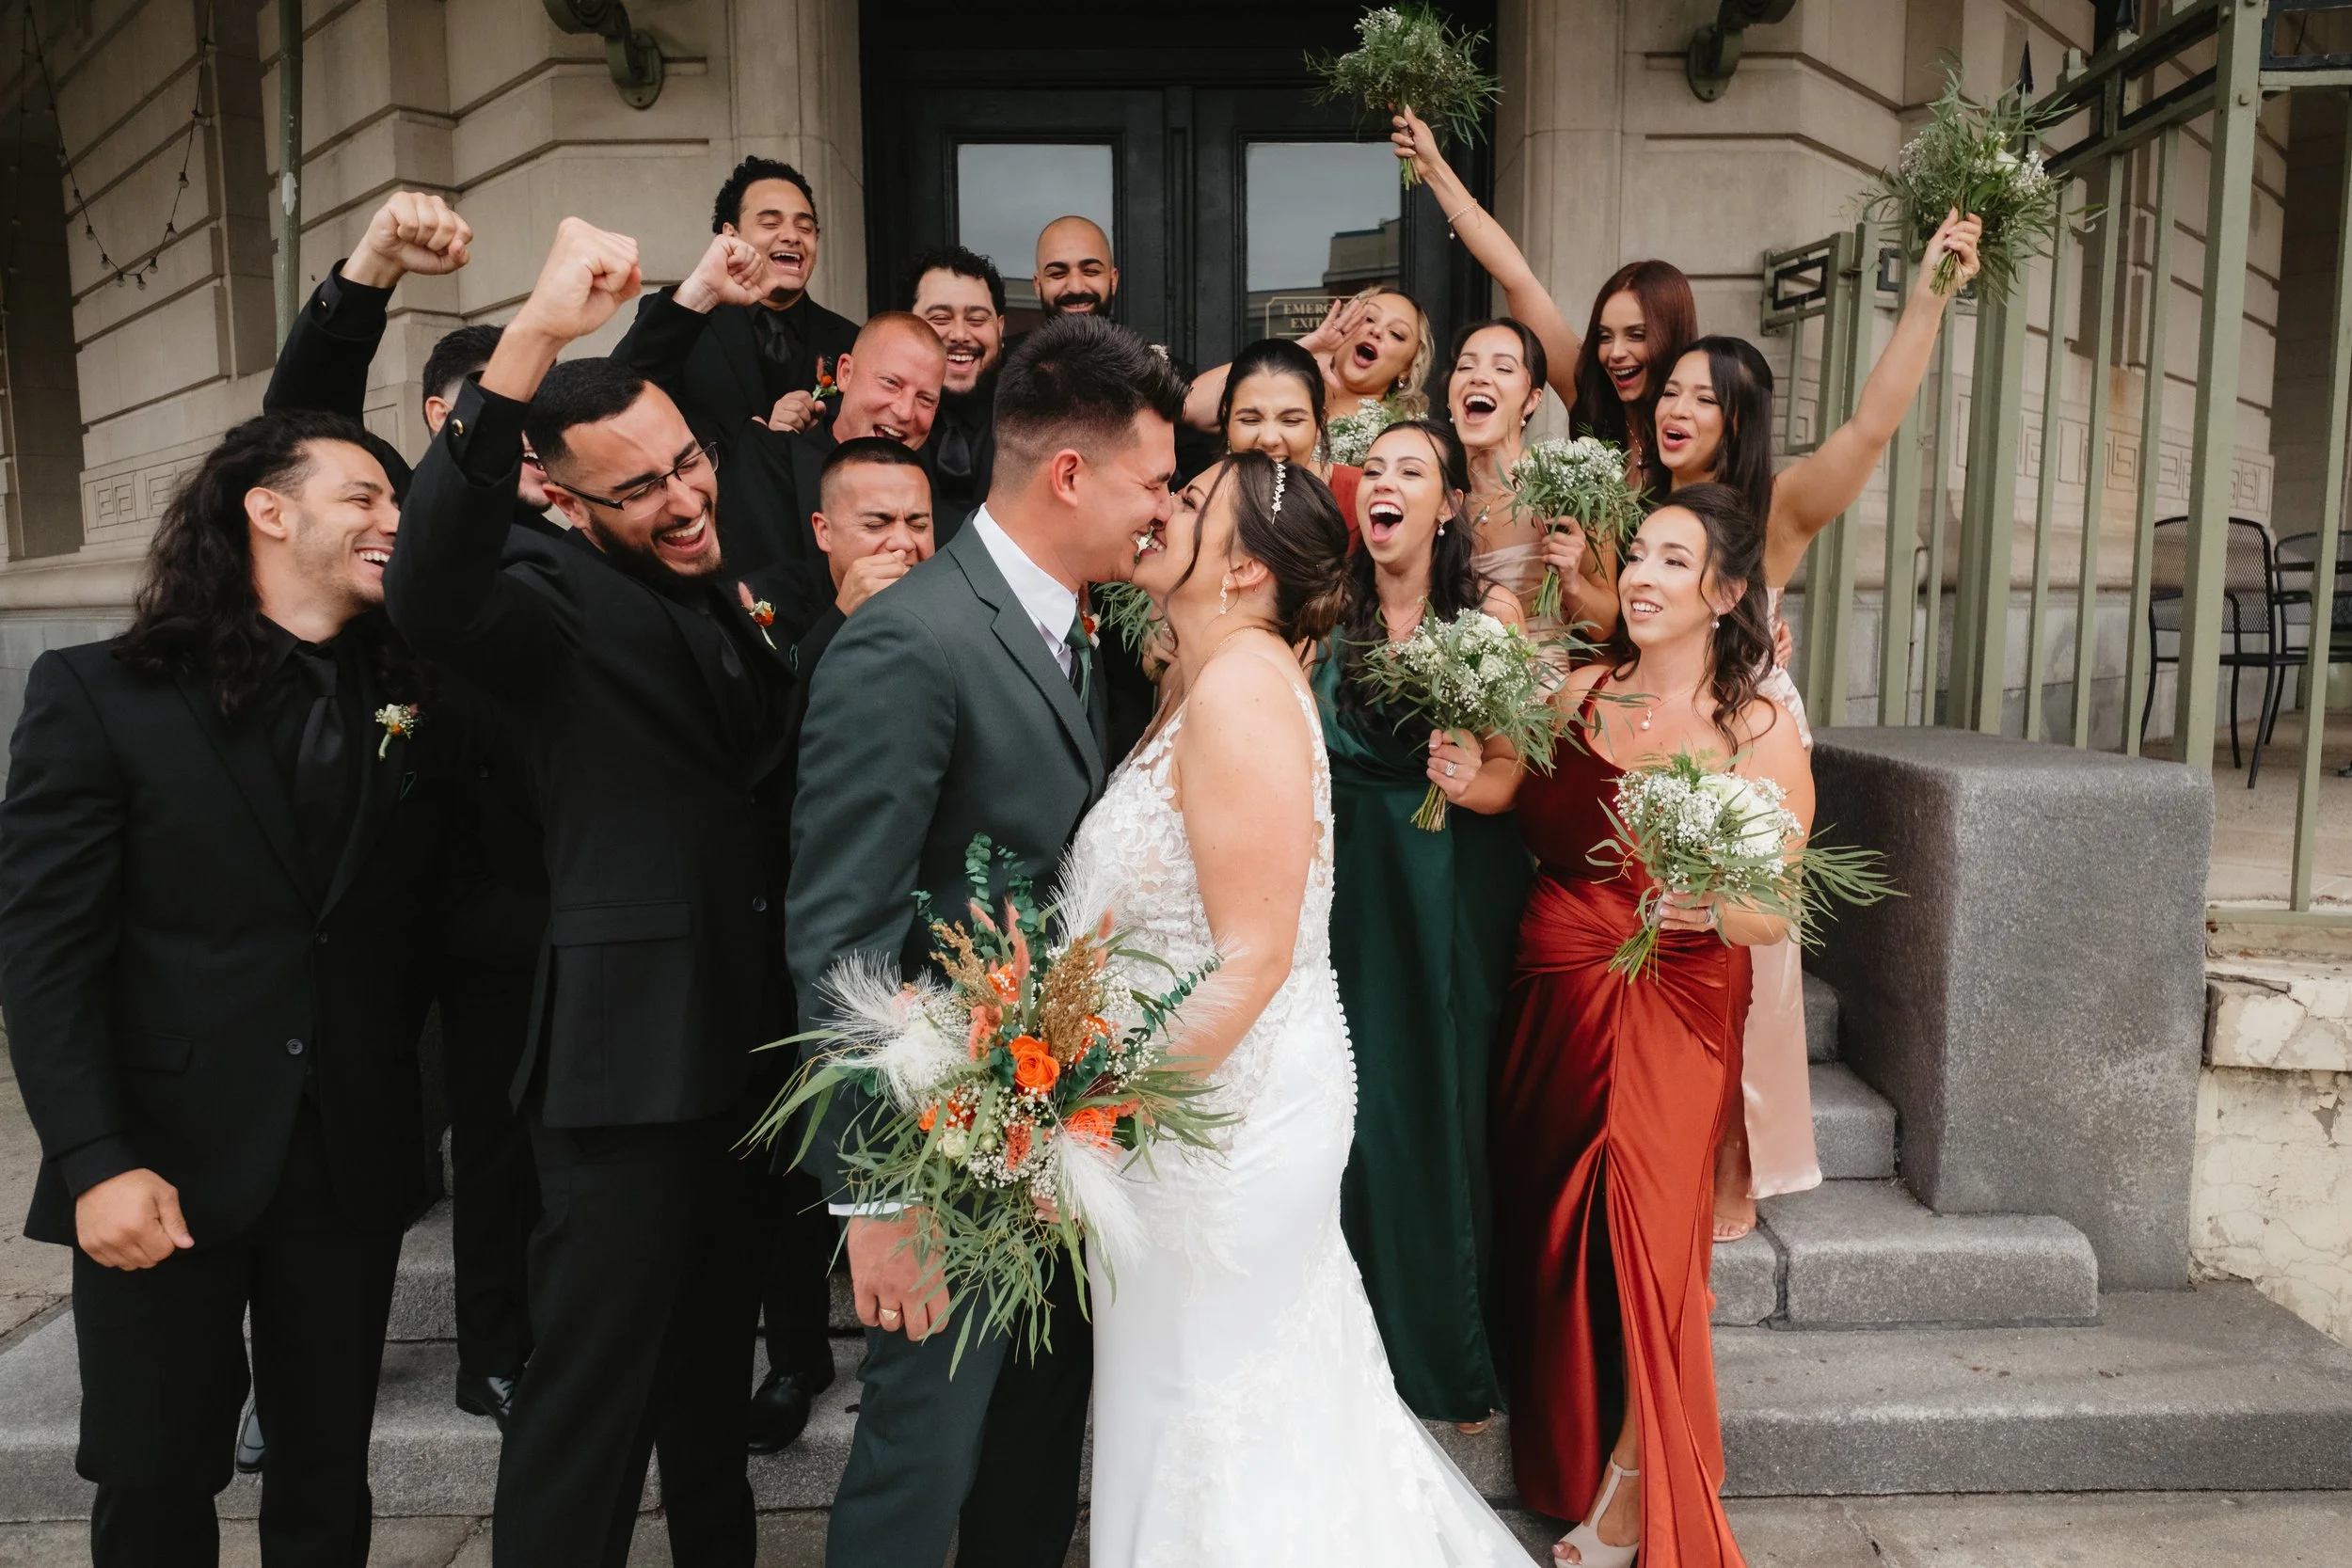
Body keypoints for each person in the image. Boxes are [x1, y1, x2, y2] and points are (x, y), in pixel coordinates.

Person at [386, 216, 799, 1568]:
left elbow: (630, 413)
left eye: (692, 462)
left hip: (745, 1053)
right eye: (644, 490)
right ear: (559, 497)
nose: (685, 496)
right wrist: (533, 338)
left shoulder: (702, 552)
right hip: (622, 1075)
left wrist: (677, 310)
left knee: (708, 1395)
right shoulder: (533, 588)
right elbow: (432, 585)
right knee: (588, 1404)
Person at [0, 409, 455, 1567]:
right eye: (363, 494)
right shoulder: (97, 692)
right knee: (154, 1476)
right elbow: (45, 950)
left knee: (325, 1477)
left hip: (345, 1154)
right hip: (160, 1158)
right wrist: (94, 1156)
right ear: (268, 507)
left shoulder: (416, 694)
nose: (391, 519)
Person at [1077, 448, 1528, 1564]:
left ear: (1237, 566)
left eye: (1188, 502)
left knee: (1210, 1403)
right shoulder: (1214, 674)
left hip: (1219, 1119)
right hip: (1193, 1105)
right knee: (1209, 1398)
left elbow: (1252, 958)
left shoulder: (1238, 689)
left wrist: (1087, 1112)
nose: (1161, 509)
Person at [786, 313, 1184, 1568]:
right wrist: (877, 1189)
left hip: (1047, 1127)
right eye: (1153, 481)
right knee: (923, 1458)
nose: (1163, 512)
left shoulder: (1067, 626)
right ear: (1070, 473)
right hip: (940, 1146)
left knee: (1029, 1442)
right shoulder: (908, 639)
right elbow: (842, 934)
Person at [1629, 210, 1980, 1238]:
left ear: (1738, 418)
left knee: (1752, 956)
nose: (1676, 407)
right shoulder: (1638, 506)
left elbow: (1871, 425)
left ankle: (1741, 1161)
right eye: (1671, 390)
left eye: (1704, 396)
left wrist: (1924, 298)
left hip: (1748, 739)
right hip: (1652, 729)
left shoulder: (1776, 504)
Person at [260, 190, 548, 1440]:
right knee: (312, 1142)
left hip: (488, 899)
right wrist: (367, 274)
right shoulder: (391, 528)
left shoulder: (540, 531)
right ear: (442, 418)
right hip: (355, 906)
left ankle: (495, 1350)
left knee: (491, 1139)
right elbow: (299, 423)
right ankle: (286, 1379)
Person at [1493, 483, 1809, 1568]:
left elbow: (1774, 902)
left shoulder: (1754, 725)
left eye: (1674, 560)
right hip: (1553, 993)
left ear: (1723, 592)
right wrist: (1464, 761)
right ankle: (1571, 1451)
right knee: (1556, 1236)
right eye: (1637, 555)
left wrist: (1707, 901)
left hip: (1675, 997)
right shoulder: (1575, 686)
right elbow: (1507, 788)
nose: (1640, 574)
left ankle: (1636, 1485)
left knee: (1650, 1242)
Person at [1314, 420, 1532, 1430]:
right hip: (1345, 886)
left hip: (1445, 883)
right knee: (1354, 1104)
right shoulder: (1321, 614)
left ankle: (1443, 1349)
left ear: (1449, 505)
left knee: (1434, 1099)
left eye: (1414, 471)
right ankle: (1347, 1336)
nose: (1386, 486)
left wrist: (1465, 776)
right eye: (1378, 471)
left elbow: (1511, 773)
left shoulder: (1484, 622)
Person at [742, 436, 939, 1455]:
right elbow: (762, 759)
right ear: (824, 531)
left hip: (921, 952)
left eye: (916, 521)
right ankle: (793, 1360)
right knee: (796, 1159)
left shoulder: (951, 627)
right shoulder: (783, 627)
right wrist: (841, 627)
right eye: (877, 522)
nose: (902, 541)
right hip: (803, 936)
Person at [617, 230, 947, 606]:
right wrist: (700, 294)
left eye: (926, 398)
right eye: (890, 383)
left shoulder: (948, 520)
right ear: (844, 374)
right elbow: (622, 398)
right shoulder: (755, 457)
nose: (905, 412)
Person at [1388, 107, 1697, 465]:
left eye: (1637, 335)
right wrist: (1434, 169)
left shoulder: (1705, 432)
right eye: (1605, 336)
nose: (1615, 353)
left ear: (1671, 333)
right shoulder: (1593, 399)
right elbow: (1517, 279)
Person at [613, 155, 858, 443]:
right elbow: (615, 400)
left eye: (805, 227)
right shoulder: (682, 318)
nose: (792, 236)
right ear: (730, 235)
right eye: (770, 223)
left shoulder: (850, 340)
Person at [1446, 316, 1616, 643]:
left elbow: (1606, 626)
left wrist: (1572, 581)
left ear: (1533, 399)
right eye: (1466, 367)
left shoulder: (1571, 489)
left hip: (1546, 686)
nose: (1479, 377)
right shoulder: (1432, 492)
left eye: (1503, 368)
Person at [1184, 284, 1436, 435]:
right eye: (1368, 319)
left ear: (1407, 369)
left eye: (1396, 334)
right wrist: (1296, 355)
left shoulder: (1401, 433)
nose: (1377, 331)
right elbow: (1190, 406)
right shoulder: (1288, 385)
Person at [1216, 336, 1362, 536]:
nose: (1269, 439)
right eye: (1250, 420)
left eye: (1291, 421)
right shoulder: (1198, 503)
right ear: (1227, 419)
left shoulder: (1362, 496)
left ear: (1319, 423)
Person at [909, 245, 1009, 530]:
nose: (960, 335)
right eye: (940, 318)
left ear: (1000, 329)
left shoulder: (1038, 416)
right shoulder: (872, 418)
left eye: (977, 319)